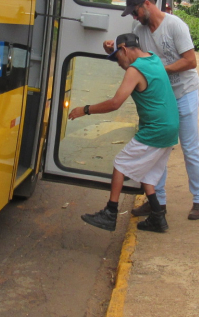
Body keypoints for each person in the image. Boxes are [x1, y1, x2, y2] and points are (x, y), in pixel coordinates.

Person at [107, 0, 199, 221]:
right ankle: (158, 203)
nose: (134, 17)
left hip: (184, 93)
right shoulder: (138, 30)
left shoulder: (175, 26)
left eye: (134, 12)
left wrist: (160, 71)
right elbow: (133, 55)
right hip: (160, 97)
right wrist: (112, 49)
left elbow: (190, 61)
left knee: (190, 148)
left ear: (146, 4)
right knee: (157, 148)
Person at [76, 33, 180, 233]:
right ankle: (158, 218)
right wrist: (112, 50)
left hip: (155, 129)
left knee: (120, 165)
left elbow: (115, 103)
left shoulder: (135, 70)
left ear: (124, 49)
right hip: (170, 127)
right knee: (148, 174)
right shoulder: (153, 58)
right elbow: (126, 55)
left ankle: (110, 213)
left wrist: (85, 109)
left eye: (117, 57)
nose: (117, 63)